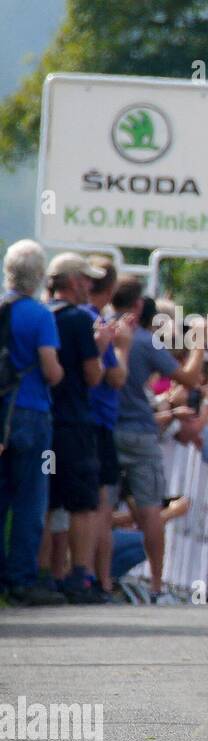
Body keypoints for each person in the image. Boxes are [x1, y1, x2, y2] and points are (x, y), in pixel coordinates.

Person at [110, 276, 204, 604]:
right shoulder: (144, 341)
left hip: (105, 430)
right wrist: (199, 345)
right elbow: (189, 378)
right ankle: (156, 586)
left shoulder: (102, 330)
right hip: (138, 431)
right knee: (151, 508)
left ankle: (91, 577)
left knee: (97, 507)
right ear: (137, 304)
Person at [0, 240, 65, 605]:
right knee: (29, 498)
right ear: (39, 276)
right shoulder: (41, 316)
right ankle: (21, 580)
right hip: (31, 411)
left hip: (1, 411)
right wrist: (59, 375)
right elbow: (50, 368)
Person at [45, 253, 109, 603]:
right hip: (75, 424)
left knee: (47, 499)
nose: (90, 286)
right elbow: (93, 375)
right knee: (83, 503)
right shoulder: (78, 320)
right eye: (85, 279)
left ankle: (45, 574)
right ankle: (80, 576)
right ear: (71, 282)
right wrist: (101, 348)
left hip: (46, 421)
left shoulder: (42, 315)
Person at [82, 256, 126, 599]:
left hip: (74, 421)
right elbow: (116, 376)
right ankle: (100, 580)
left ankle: (67, 573)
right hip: (96, 423)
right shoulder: (98, 322)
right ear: (109, 289)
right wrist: (120, 347)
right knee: (99, 505)